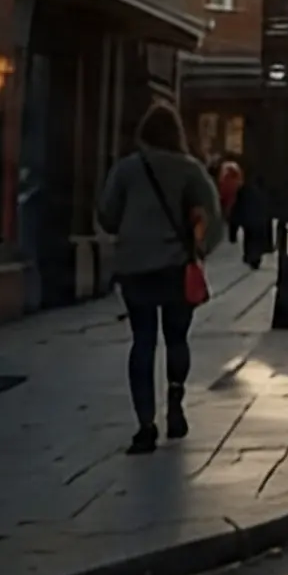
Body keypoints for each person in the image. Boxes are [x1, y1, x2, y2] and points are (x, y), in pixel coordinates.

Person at [97, 107, 222, 455]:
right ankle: (176, 400)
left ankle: (145, 424)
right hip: (175, 267)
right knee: (177, 338)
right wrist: (199, 249)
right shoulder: (190, 169)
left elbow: (107, 215)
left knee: (143, 341)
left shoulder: (126, 169)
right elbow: (212, 215)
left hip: (135, 267)